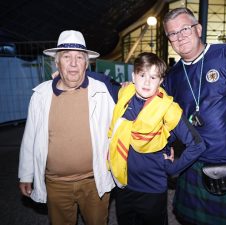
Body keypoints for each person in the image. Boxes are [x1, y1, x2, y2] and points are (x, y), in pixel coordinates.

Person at [162, 7, 226, 225]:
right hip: (193, 161)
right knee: (193, 220)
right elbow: (165, 116)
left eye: (185, 29)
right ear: (169, 39)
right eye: (172, 33)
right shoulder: (172, 77)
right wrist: (166, 145)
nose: (179, 37)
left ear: (198, 29)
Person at [18, 30, 120, 225]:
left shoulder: (103, 92)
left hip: (94, 181)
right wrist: (26, 174)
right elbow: (30, 137)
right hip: (56, 184)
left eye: (79, 57)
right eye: (66, 57)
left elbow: (126, 118)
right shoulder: (40, 96)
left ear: (86, 63)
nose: (73, 63)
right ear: (57, 62)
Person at [107, 52, 206, 225]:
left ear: (160, 81)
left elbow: (197, 144)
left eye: (153, 77)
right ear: (133, 76)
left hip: (152, 189)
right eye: (142, 75)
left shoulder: (168, 108)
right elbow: (101, 82)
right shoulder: (124, 95)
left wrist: (172, 168)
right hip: (123, 184)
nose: (146, 82)